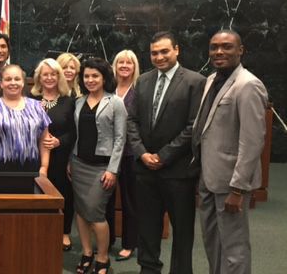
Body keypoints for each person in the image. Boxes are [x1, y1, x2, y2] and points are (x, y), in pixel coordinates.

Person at [126, 31, 205, 274]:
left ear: (177, 50)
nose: (159, 57)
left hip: (178, 172)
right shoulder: (143, 80)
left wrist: (163, 156)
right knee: (148, 227)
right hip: (145, 170)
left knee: (182, 230)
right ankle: (148, 269)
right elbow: (132, 121)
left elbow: (194, 126)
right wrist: (141, 153)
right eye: (154, 53)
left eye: (164, 51)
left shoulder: (195, 81)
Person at [193, 30, 268, 274]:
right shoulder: (211, 80)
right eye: (214, 47)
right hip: (208, 177)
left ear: (240, 50)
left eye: (226, 46)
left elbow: (253, 142)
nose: (219, 52)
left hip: (230, 183)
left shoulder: (248, 85)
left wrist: (238, 188)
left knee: (234, 249)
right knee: (213, 242)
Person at [70, 57, 126, 274]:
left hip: (102, 168)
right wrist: (69, 161)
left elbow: (121, 139)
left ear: (104, 78)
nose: (90, 79)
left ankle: (102, 258)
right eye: (87, 76)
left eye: (95, 76)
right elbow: (77, 135)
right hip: (78, 163)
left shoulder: (115, 102)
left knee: (96, 213)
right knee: (81, 212)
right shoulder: (78, 101)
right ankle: (86, 253)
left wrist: (113, 170)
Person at [30, 59, 75, 251]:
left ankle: (64, 232)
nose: (49, 78)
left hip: (60, 157)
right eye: (45, 74)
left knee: (63, 193)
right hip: (32, 155)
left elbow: (74, 131)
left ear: (59, 76)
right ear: (39, 77)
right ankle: (37, 229)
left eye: (53, 74)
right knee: (35, 193)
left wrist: (59, 141)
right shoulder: (29, 98)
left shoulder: (69, 101)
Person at [0, 64, 51, 173]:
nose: (13, 83)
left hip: (32, 171)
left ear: (23, 83)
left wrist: (44, 167)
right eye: (8, 79)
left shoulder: (37, 107)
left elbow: (44, 139)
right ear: (1, 83)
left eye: (17, 79)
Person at [104, 49, 140, 261]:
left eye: (129, 63)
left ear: (135, 67)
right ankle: (107, 240)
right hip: (106, 153)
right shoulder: (108, 89)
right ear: (114, 66)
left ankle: (129, 243)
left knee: (129, 200)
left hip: (130, 154)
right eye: (121, 62)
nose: (125, 66)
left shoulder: (140, 90)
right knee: (106, 199)